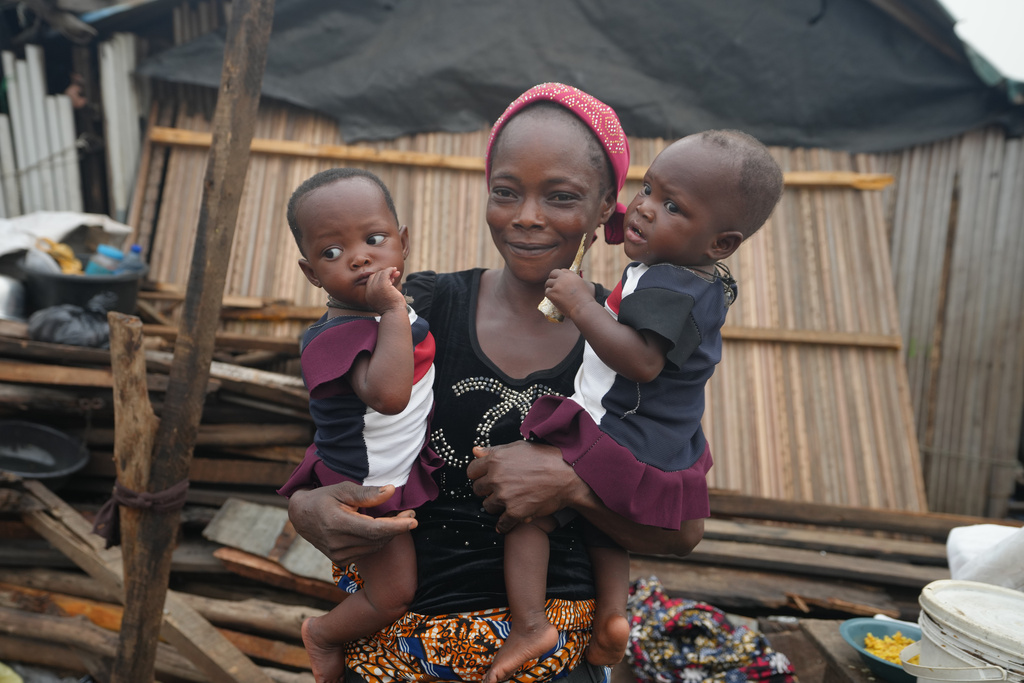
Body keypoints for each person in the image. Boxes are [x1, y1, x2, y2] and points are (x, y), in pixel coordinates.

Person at [281, 83, 706, 683]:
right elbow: (340, 441)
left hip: (551, 654)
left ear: (607, 202)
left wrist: (570, 487)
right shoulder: (417, 310)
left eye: (560, 196)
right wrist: (306, 509)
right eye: (506, 192)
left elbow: (683, 530)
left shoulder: (634, 349)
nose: (526, 217)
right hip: (398, 646)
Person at [521, 128, 784, 549]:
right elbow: (632, 319)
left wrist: (580, 306)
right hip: (658, 430)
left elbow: (643, 361)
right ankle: (610, 611)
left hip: (623, 429)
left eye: (672, 205)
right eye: (647, 188)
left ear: (721, 243)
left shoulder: (671, 287)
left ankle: (532, 615)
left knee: (532, 515)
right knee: (602, 528)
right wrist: (590, 296)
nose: (643, 208)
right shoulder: (692, 280)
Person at [286, 168, 444, 683]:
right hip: (363, 484)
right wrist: (395, 308)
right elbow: (390, 395)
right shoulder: (334, 335)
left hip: (392, 468)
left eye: (374, 240)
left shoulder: (388, 315)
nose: (358, 257)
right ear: (312, 275)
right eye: (332, 253)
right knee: (393, 593)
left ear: (404, 243)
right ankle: (324, 634)